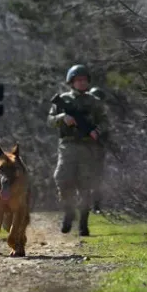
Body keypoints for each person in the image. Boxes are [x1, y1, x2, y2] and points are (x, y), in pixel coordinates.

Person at [47, 64, 108, 236]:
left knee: (85, 185)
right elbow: (50, 120)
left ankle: (83, 222)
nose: (81, 83)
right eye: (78, 80)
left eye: (84, 80)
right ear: (71, 82)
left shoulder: (94, 102)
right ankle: (68, 211)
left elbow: (105, 121)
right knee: (62, 179)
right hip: (68, 146)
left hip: (88, 147)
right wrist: (62, 118)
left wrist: (97, 131)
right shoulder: (63, 99)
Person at [87, 86, 108, 214]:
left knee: (97, 179)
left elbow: (105, 132)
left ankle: (96, 205)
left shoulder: (101, 116)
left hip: (97, 150)